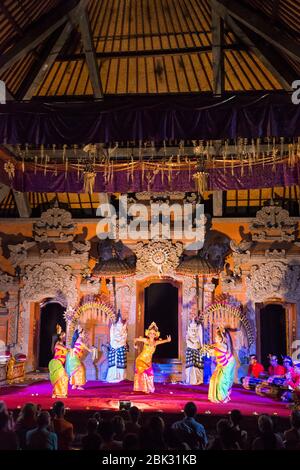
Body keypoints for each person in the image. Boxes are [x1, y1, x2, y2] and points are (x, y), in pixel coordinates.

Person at [133, 322, 171, 394]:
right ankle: (144, 389)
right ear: (148, 334)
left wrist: (167, 340)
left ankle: (148, 388)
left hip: (148, 362)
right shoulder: (145, 340)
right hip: (140, 359)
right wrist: (135, 345)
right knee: (144, 373)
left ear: (156, 335)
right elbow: (135, 339)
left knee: (150, 374)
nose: (152, 335)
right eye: (151, 333)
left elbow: (163, 341)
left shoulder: (155, 342)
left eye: (154, 334)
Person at [203, 326, 236, 403]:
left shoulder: (222, 347)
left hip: (227, 364)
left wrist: (210, 351)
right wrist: (207, 350)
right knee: (213, 379)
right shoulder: (217, 346)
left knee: (221, 380)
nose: (215, 338)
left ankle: (223, 397)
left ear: (221, 339)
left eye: (216, 337)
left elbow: (223, 361)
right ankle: (214, 396)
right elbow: (212, 348)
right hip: (221, 364)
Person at [106, 311, 128, 383]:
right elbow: (111, 334)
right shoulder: (113, 326)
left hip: (120, 346)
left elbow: (124, 335)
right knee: (113, 362)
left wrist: (122, 343)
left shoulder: (123, 326)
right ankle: (112, 377)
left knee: (120, 362)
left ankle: (120, 377)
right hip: (114, 346)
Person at [48, 326, 68, 399]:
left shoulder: (62, 344)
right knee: (62, 377)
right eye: (63, 335)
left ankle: (56, 393)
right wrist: (70, 350)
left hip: (59, 363)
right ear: (60, 336)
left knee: (61, 378)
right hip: (56, 363)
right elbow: (65, 349)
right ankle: (58, 393)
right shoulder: (57, 344)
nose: (65, 337)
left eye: (65, 335)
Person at [185, 318, 203, 385]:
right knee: (191, 367)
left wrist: (198, 346)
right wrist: (194, 344)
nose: (193, 332)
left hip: (197, 353)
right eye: (192, 330)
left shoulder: (197, 337)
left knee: (197, 367)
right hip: (190, 354)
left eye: (195, 330)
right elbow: (191, 344)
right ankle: (191, 380)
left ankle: (198, 380)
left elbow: (199, 345)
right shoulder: (188, 338)